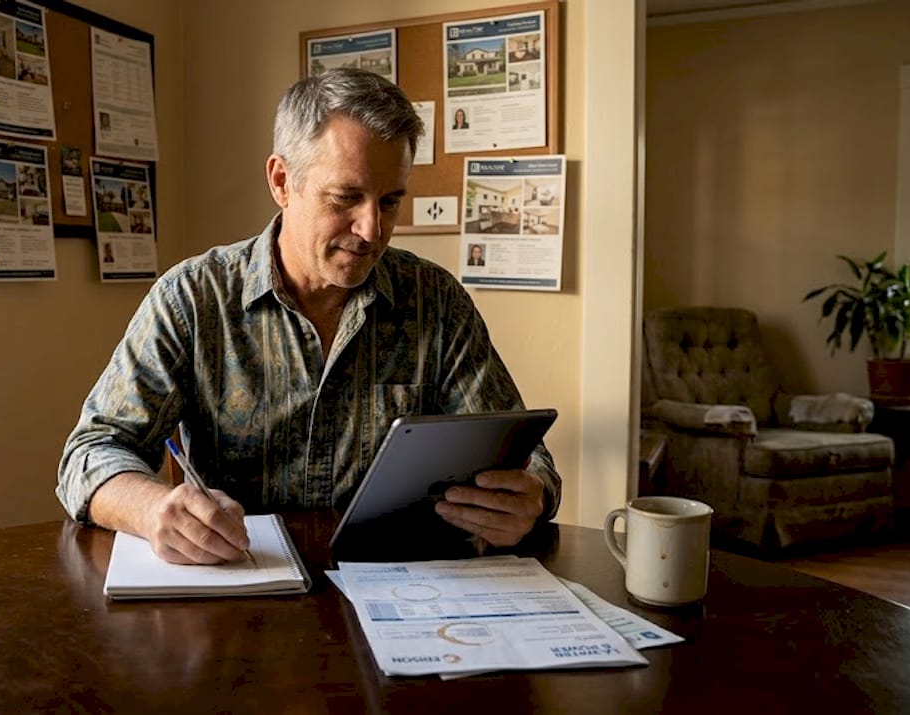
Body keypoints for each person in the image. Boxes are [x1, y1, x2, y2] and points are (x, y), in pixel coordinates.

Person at [57, 68, 560, 565]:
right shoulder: (192, 298)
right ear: (282, 180)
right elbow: (91, 452)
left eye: (389, 201)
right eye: (346, 198)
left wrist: (532, 496)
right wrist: (152, 510)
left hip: (401, 590)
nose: (372, 229)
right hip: (239, 589)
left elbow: (522, 454)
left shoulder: (437, 302)